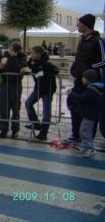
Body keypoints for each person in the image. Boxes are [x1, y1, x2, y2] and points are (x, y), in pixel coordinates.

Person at [67, 14, 105, 143]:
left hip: (90, 81)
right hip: (79, 79)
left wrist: (89, 70)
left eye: (79, 23)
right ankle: (75, 134)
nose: (77, 25)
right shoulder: (82, 39)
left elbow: (103, 61)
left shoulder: (98, 41)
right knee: (74, 105)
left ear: (86, 24)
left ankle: (87, 138)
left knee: (88, 109)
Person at [24, 46, 59, 140]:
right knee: (28, 103)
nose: (30, 55)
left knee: (46, 111)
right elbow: (28, 66)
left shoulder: (46, 63)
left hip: (47, 90)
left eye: (32, 53)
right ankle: (35, 123)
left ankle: (44, 131)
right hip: (38, 88)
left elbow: (55, 70)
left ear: (38, 54)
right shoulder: (32, 61)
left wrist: (43, 73)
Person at [69, 69, 104, 157]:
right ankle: (86, 147)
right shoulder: (92, 88)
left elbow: (82, 98)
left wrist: (72, 94)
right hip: (89, 113)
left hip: (90, 114)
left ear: (88, 79)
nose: (82, 79)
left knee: (85, 131)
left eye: (84, 77)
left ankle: (90, 149)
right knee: (84, 131)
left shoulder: (92, 90)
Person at [0, 42, 27, 139]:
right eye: (9, 49)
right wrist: (0, 67)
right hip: (6, 84)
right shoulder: (5, 57)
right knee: (4, 107)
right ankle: (3, 129)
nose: (10, 51)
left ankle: (15, 130)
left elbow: (18, 68)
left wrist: (13, 58)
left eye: (12, 50)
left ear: (17, 51)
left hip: (16, 84)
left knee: (15, 108)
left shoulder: (21, 58)